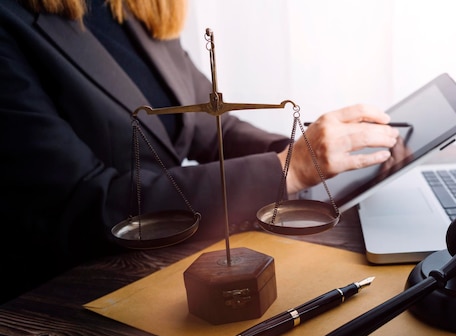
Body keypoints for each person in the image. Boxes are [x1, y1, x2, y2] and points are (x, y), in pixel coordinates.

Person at [0, 0, 399, 302]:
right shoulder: (10, 25)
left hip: (166, 268)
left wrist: (317, 155)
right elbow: (87, 203)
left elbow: (211, 125)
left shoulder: (134, 9)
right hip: (68, 300)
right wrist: (288, 171)